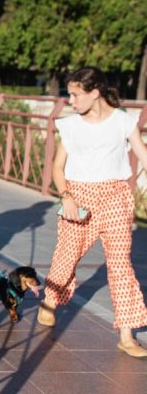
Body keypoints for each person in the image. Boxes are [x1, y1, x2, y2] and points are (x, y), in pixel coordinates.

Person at [38, 67, 147, 358]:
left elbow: (142, 153)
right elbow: (58, 168)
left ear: (95, 93)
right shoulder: (71, 126)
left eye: (75, 94)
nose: (71, 101)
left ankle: (127, 334)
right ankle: (50, 299)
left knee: (120, 264)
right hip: (79, 197)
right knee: (67, 256)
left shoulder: (123, 121)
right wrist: (67, 197)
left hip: (115, 196)